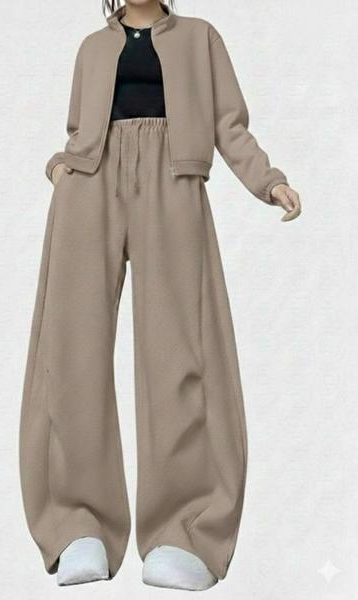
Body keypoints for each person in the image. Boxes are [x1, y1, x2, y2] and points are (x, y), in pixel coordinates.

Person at [19, 0, 302, 591]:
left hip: (174, 181)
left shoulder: (201, 37)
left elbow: (229, 125)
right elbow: (78, 132)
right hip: (89, 186)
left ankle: (186, 530)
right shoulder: (92, 48)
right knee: (71, 351)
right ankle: (78, 525)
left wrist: (268, 180)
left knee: (183, 353)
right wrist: (61, 169)